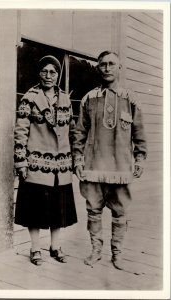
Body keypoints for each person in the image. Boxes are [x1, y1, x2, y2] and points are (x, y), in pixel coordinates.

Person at [72, 50, 147, 270]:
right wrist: (78, 159)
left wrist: (140, 158)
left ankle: (117, 254)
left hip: (121, 167)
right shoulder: (89, 99)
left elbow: (139, 133)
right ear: (98, 68)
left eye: (111, 64)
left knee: (120, 212)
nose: (107, 68)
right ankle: (96, 251)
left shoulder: (130, 99)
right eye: (102, 64)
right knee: (93, 210)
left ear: (119, 68)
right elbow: (79, 132)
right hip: (93, 166)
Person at [14, 55, 77, 266]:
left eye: (53, 72)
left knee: (58, 210)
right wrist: (21, 162)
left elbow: (73, 131)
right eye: (44, 71)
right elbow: (20, 132)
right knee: (35, 210)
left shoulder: (66, 98)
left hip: (61, 166)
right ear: (39, 73)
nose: (48, 76)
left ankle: (55, 246)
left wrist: (76, 160)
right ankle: (34, 248)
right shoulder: (29, 98)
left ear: (58, 75)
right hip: (37, 164)